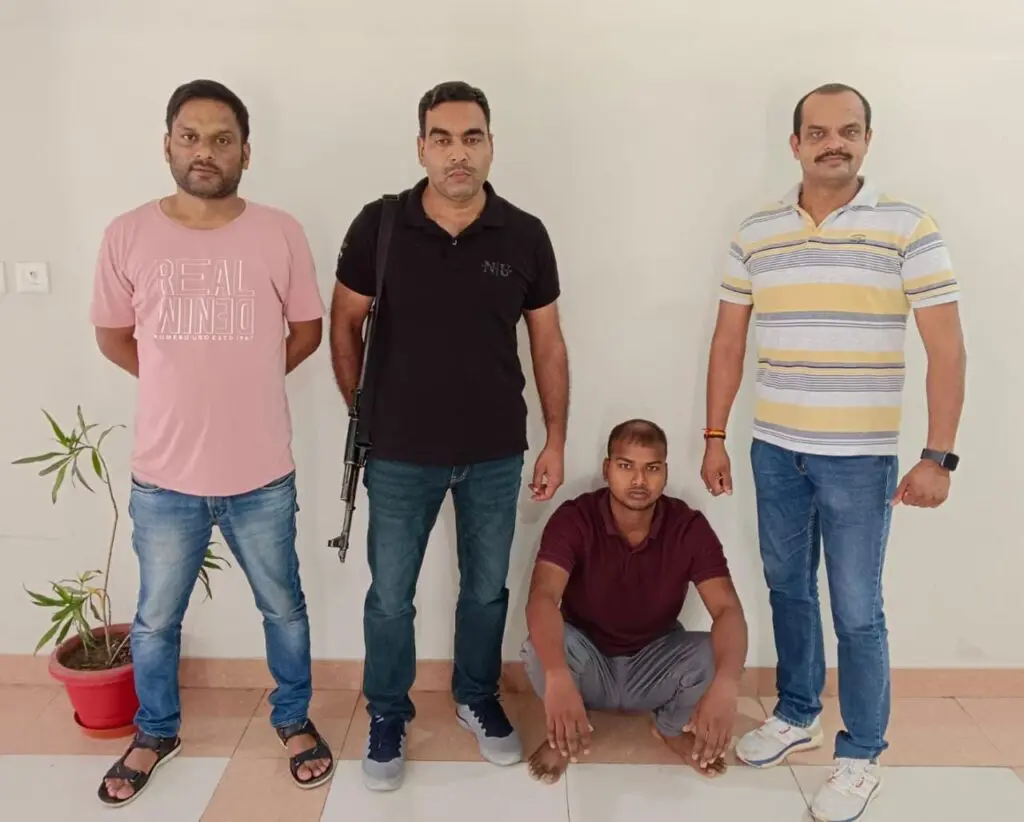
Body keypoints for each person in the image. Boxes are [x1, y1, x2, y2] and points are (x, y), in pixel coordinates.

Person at [702, 83, 966, 822]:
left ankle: (861, 755)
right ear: (795, 144)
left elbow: (947, 349)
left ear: (867, 140)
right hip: (774, 450)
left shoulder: (908, 227)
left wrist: (939, 456)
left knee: (856, 610)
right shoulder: (756, 232)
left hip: (860, 458)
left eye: (848, 131)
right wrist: (716, 435)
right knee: (788, 588)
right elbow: (728, 342)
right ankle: (796, 712)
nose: (833, 144)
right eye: (817, 133)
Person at [89, 79, 334, 807]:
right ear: (167, 145)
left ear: (246, 153)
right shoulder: (127, 234)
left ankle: (293, 719)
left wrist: (247, 378)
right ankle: (155, 730)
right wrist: (178, 381)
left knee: (283, 608)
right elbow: (113, 336)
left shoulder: (280, 231)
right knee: (156, 620)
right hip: (165, 477)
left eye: (223, 139)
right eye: (190, 136)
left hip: (261, 474)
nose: (206, 151)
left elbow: (307, 331)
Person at [330, 80, 570, 791]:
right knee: (390, 596)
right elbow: (345, 324)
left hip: (495, 452)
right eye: (443, 139)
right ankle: (386, 711)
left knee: (486, 590)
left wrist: (556, 439)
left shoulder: (524, 233)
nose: (457, 153)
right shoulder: (379, 225)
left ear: (491, 145)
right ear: (421, 148)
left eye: (472, 138)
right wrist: (365, 415)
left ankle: (477, 695)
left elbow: (548, 343)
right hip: (399, 455)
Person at [521, 419, 748, 784]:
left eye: (652, 468)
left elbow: (727, 609)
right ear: (607, 469)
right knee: (539, 647)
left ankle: (670, 729)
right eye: (626, 466)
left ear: (665, 472)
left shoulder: (688, 526)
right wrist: (557, 676)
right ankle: (565, 735)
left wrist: (728, 684)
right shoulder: (575, 517)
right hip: (588, 659)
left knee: (714, 652)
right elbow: (543, 598)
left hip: (653, 661)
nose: (639, 480)